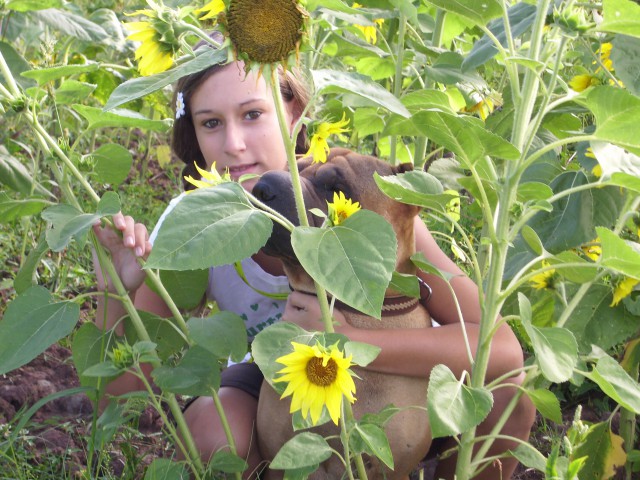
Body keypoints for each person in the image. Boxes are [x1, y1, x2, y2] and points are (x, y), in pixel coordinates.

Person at [93, 55, 535, 479]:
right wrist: (117, 290)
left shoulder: (367, 209)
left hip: (405, 381)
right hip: (281, 393)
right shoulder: (196, 227)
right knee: (215, 431)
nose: (233, 144)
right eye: (211, 123)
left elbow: (503, 351)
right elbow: (122, 393)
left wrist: (346, 340)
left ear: (294, 113)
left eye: (252, 115)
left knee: (506, 398)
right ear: (193, 130)